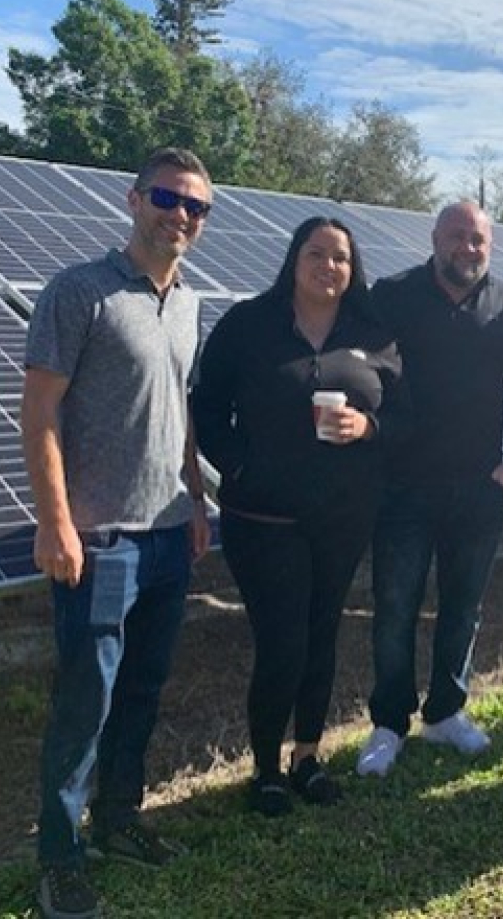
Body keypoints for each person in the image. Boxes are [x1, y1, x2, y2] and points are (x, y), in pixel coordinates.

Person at [22, 147, 213, 919]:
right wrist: (56, 522)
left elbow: (183, 416)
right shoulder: (80, 292)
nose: (180, 215)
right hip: (101, 542)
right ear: (135, 200)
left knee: (142, 690)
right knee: (85, 702)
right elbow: (40, 414)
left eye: (196, 207)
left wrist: (197, 502)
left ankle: (120, 821)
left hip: (169, 534)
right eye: (168, 198)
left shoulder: (191, 303)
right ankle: (59, 858)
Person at [192, 216, 406, 816]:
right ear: (294, 259)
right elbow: (206, 410)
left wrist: (368, 426)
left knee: (321, 636)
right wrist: (238, 467)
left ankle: (307, 758)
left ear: (352, 268)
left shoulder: (374, 333)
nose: (329, 266)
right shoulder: (247, 325)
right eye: (317, 254)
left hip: (343, 516)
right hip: (263, 520)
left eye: (340, 257)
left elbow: (406, 419)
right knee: (282, 641)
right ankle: (264, 769)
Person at [357, 200, 503, 777]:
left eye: (479, 240)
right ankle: (389, 722)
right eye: (457, 236)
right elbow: (359, 370)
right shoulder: (390, 295)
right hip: (402, 486)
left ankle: (446, 712)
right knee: (394, 608)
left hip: (481, 486)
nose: (468, 248)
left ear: (491, 246)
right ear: (435, 238)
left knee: (463, 607)